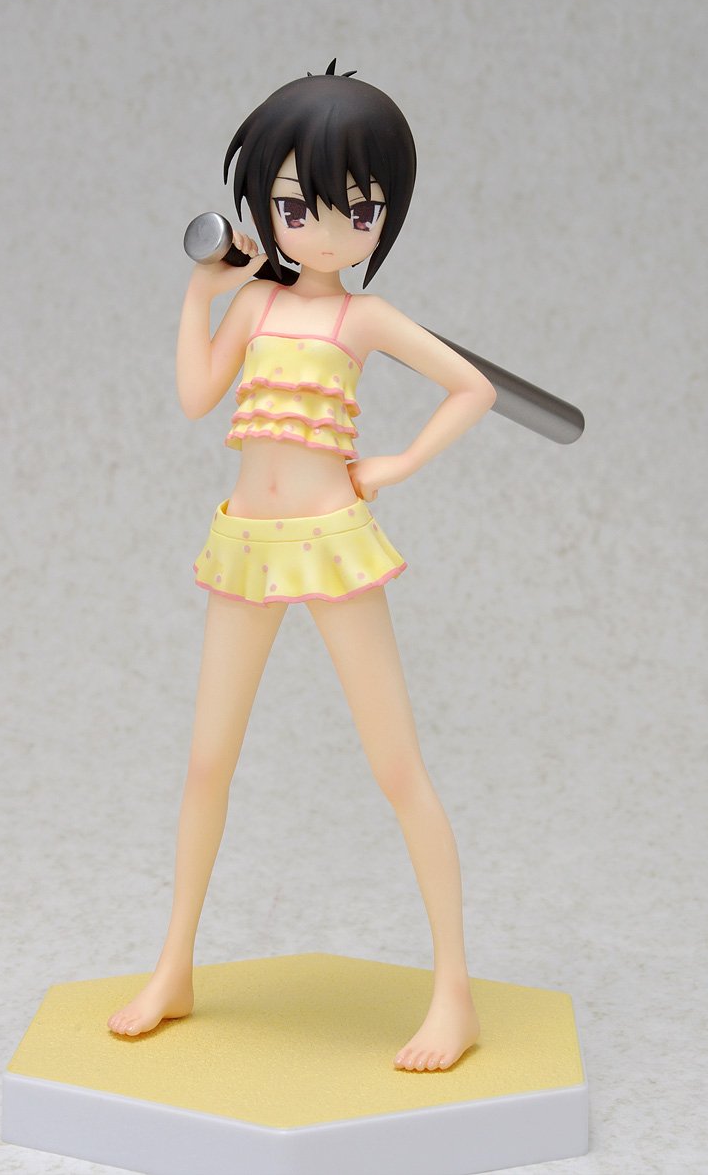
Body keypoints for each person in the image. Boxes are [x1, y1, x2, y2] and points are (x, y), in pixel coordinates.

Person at [107, 63, 497, 1072]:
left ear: (381, 217)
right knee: (206, 762)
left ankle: (452, 990)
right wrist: (201, 294)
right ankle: (174, 964)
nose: (323, 230)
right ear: (264, 208)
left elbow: (471, 388)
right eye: (295, 206)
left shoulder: (361, 319)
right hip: (246, 542)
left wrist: (393, 464)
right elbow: (195, 395)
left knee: (396, 766)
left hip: (329, 541)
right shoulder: (254, 304)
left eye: (354, 210)